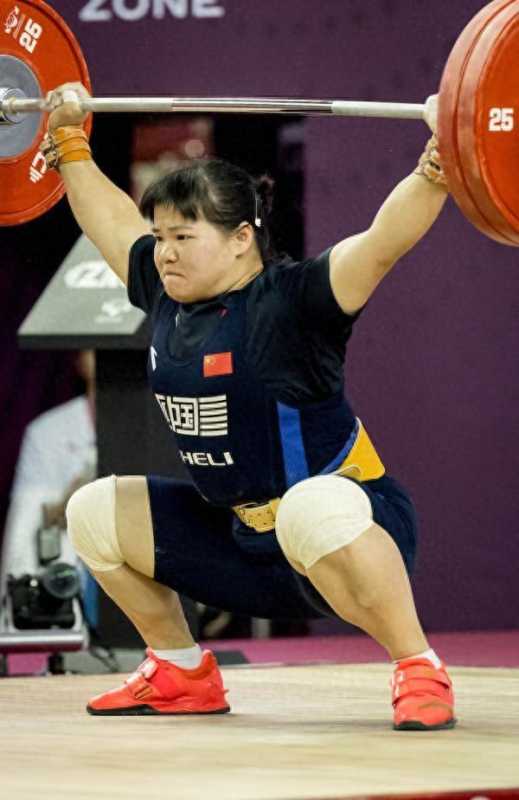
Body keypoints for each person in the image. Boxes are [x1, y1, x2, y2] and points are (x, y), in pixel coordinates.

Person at [41, 83, 455, 730]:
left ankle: (418, 665)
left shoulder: (296, 301)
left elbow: (383, 241)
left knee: (309, 508)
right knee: (94, 511)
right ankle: (180, 671)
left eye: (183, 235)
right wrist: (68, 138)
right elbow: (110, 220)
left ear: (240, 238)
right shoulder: (164, 291)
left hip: (348, 533)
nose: (164, 250)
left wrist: (441, 158)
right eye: (160, 236)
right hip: (241, 543)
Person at [0, 351, 97, 626]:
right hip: (73, 581)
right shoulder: (49, 431)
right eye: (95, 351)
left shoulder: (163, 422)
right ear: (80, 361)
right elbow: (22, 535)